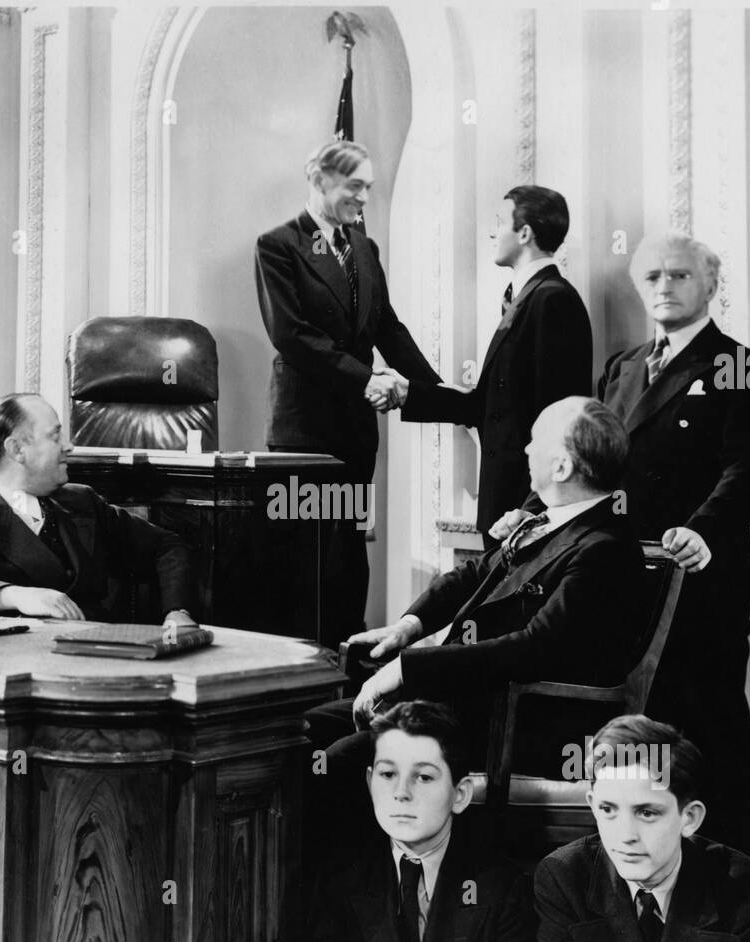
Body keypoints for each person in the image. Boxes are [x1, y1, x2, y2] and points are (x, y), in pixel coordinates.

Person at [497, 231, 750, 854]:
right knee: (634, 730)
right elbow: (581, 455)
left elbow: (749, 471)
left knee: (708, 726)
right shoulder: (622, 367)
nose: (664, 287)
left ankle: (727, 874)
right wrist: (528, 513)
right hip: (624, 579)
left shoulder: (742, 365)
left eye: (679, 275)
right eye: (652, 276)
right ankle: (634, 866)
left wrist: (700, 529)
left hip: (700, 577)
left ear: (710, 285)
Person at [305, 396, 644, 770]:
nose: (526, 448)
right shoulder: (549, 521)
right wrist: (408, 627)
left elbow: (534, 648)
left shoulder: (604, 550)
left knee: (335, 764)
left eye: (536, 441)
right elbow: (472, 575)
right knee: (302, 732)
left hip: (511, 727)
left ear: (561, 467)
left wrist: (408, 668)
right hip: (463, 705)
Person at [254, 138, 441, 647]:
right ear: (319, 180)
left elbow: (387, 327)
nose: (363, 198)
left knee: (349, 547)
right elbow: (292, 335)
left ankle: (345, 661)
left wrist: (437, 392)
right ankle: (299, 668)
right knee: (307, 549)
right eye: (354, 186)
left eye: (368, 188)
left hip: (354, 429)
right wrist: (367, 379)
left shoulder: (364, 246)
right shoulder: (278, 245)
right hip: (305, 428)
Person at [295, 701, 539, 942]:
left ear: (460, 795)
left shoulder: (504, 889)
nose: (401, 793)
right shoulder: (340, 883)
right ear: (370, 782)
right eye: (388, 775)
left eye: (423, 777)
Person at [534, 715, 750, 942]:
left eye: (647, 813)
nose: (625, 835)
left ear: (689, 818)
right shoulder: (564, 878)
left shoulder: (747, 890)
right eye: (608, 809)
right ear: (592, 805)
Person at [400, 185, 592, 543]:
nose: (492, 232)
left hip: (523, 514)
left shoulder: (552, 301)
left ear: (524, 233)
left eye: (499, 222)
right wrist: (406, 393)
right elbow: (487, 406)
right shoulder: (528, 299)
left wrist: (533, 512)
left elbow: (558, 423)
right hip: (505, 508)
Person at [0, 393, 195, 625]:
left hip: (104, 659)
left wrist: (177, 611)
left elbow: (167, 546)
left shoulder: (82, 501)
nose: (68, 446)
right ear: (17, 449)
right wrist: (14, 596)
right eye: (55, 436)